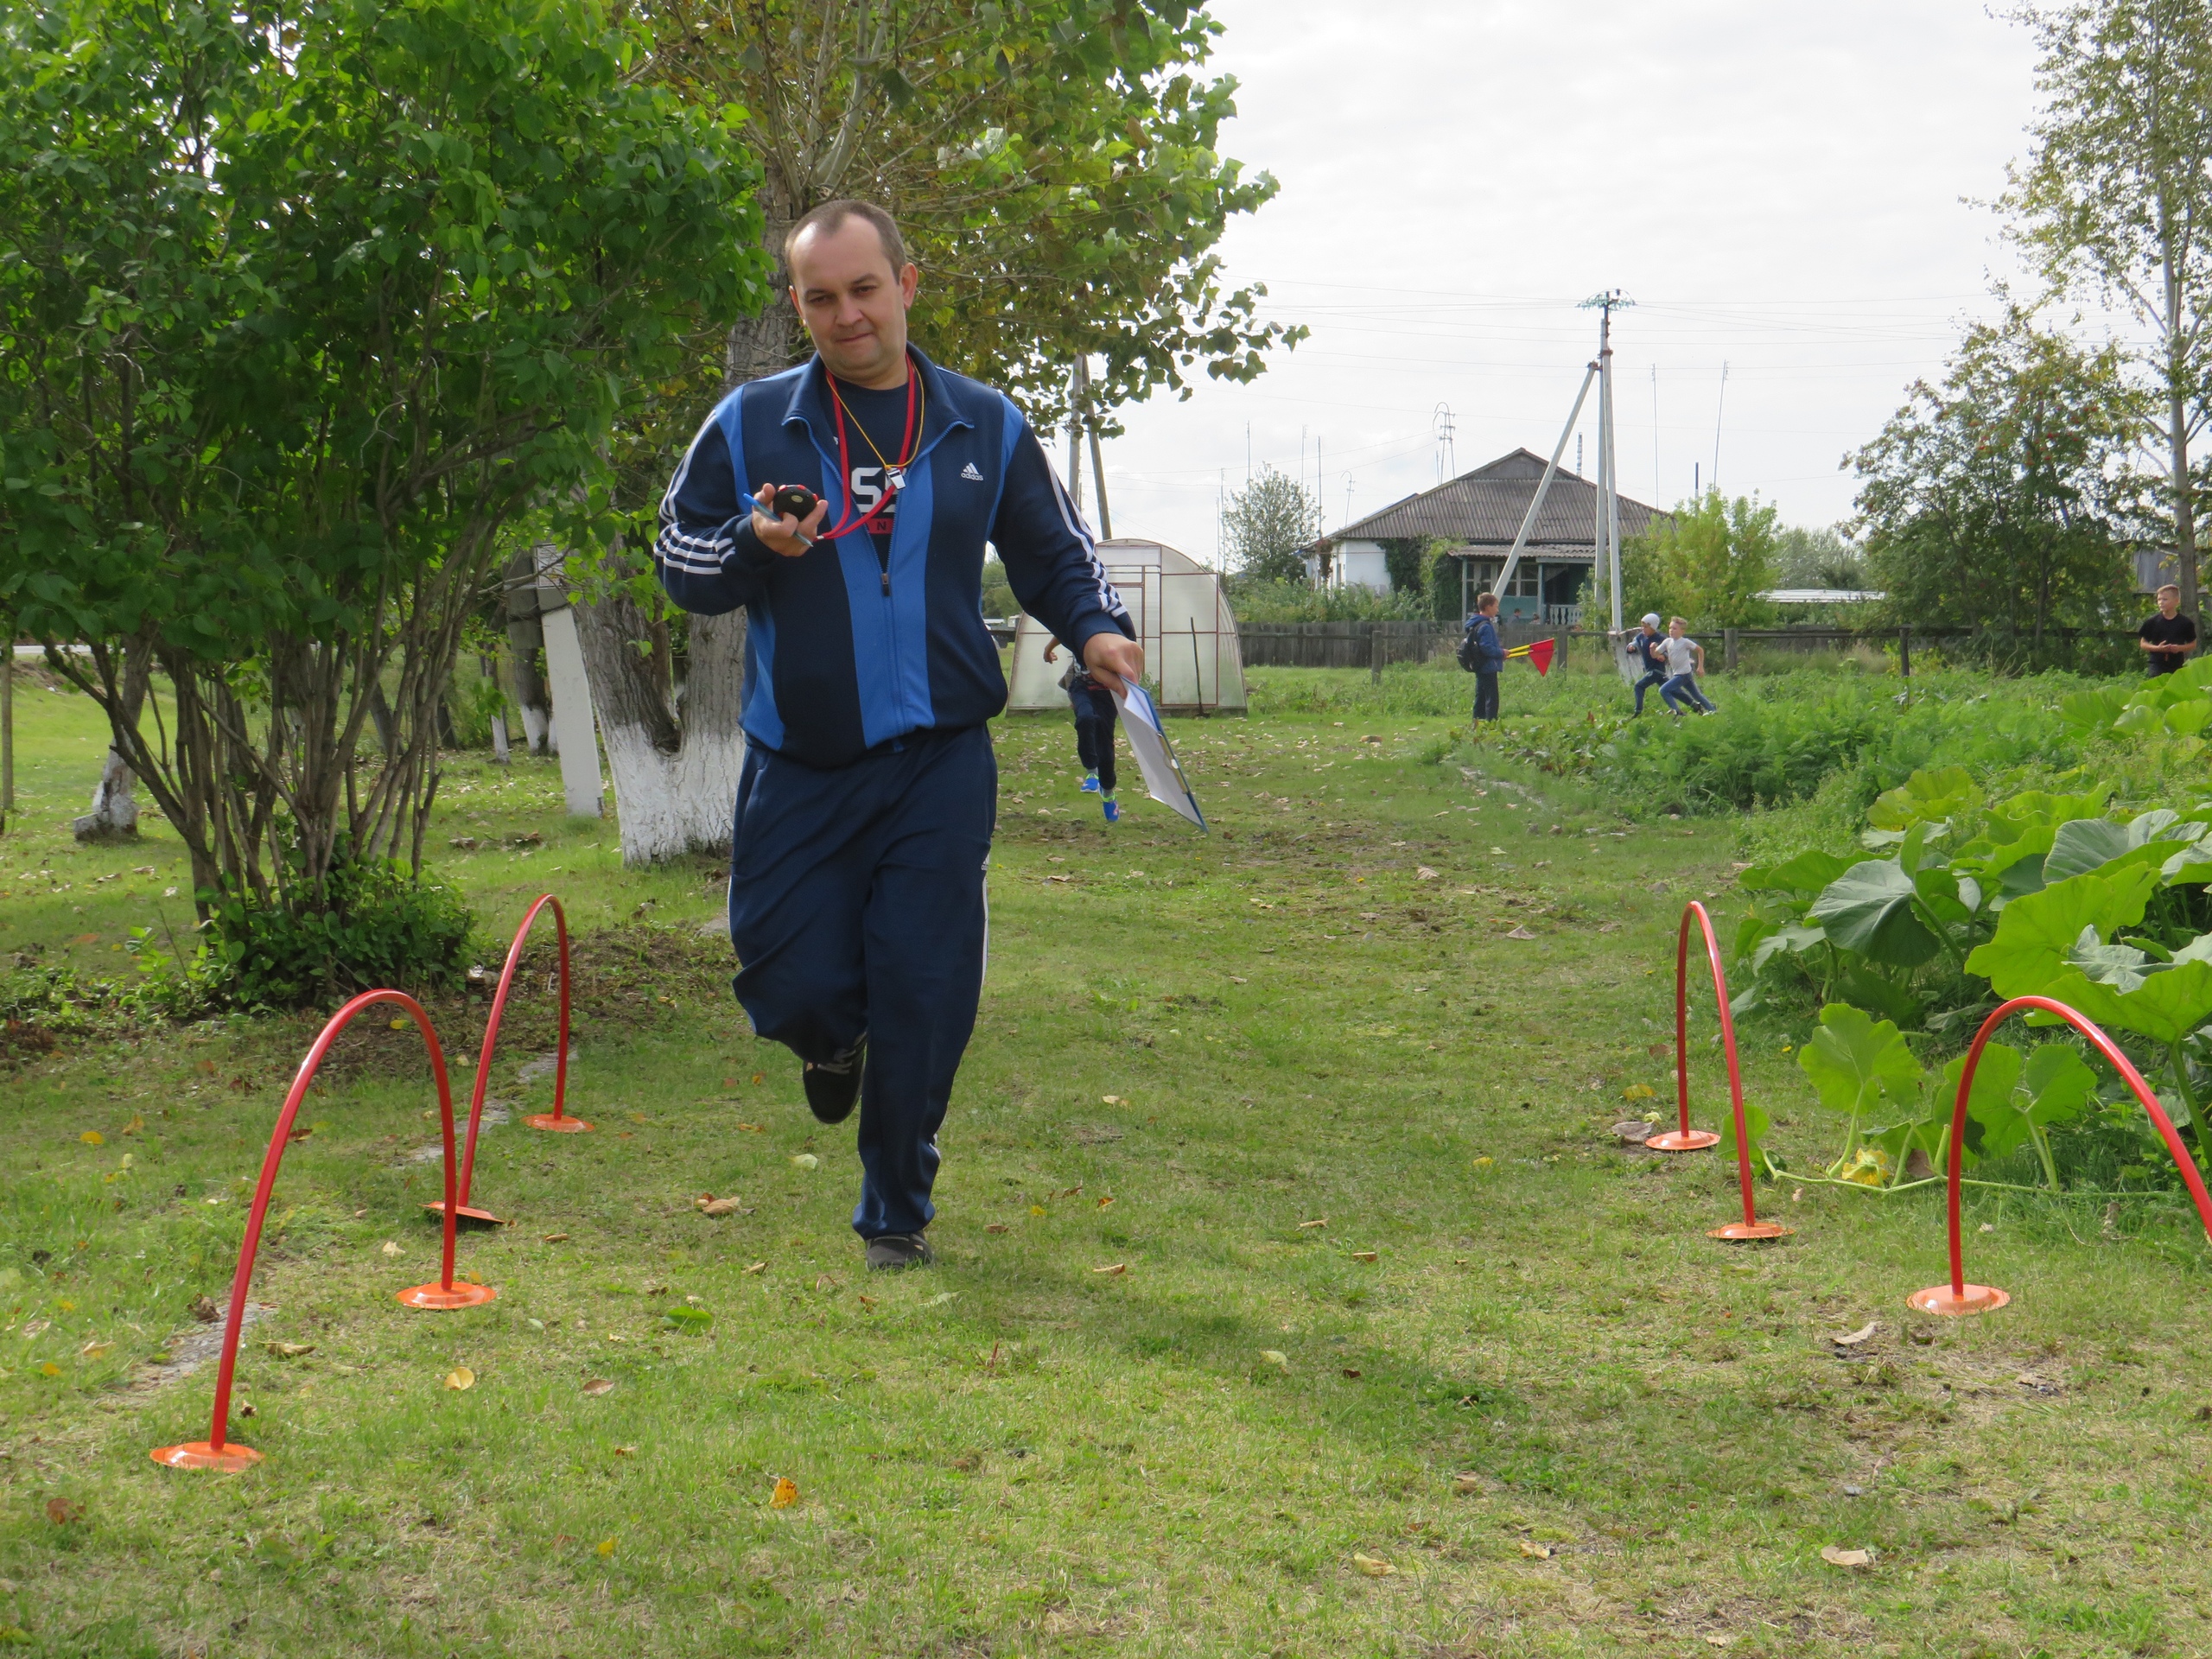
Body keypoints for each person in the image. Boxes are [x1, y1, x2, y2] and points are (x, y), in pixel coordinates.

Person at [654, 200, 1142, 1271]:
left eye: (865, 289)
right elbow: (677, 558)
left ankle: (895, 1213)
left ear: (907, 284)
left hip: (939, 763)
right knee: (786, 979)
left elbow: (1055, 555)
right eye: (820, 297)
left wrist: (1097, 629)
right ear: (798, 305)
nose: (847, 315)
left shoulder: (984, 423)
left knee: (924, 988)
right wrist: (754, 542)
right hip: (801, 763)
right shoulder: (749, 423)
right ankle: (831, 1045)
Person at [1042, 636, 1121, 822]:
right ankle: (1091, 772)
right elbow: (1062, 631)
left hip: (1107, 692)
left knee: (1105, 749)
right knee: (1085, 718)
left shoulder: (1113, 632)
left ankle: (1108, 793)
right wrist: (1048, 650)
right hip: (1081, 686)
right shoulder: (1078, 627)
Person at [1656, 617, 1716, 715]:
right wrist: (1652, 648)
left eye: (1674, 628)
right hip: (1678, 674)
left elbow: (1700, 650)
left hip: (1683, 674)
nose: (1671, 630)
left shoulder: (1685, 642)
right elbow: (1655, 653)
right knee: (1696, 695)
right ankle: (1712, 710)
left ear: (1682, 631)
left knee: (1663, 690)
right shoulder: (1667, 642)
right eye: (1670, 628)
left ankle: (1676, 711)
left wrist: (1700, 666)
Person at [1464, 591, 1505, 721]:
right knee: (1492, 698)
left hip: (1479, 665)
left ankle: (1477, 723)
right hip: (1488, 666)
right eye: (1496, 606)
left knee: (1481, 697)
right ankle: (1491, 724)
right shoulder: (1485, 626)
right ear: (1488, 607)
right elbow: (1487, 648)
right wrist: (1501, 653)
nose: (1497, 610)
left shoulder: (1475, 623)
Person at [2140, 584, 2196, 675]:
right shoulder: (2152, 622)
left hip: (2177, 664)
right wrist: (2158, 648)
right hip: (2156, 664)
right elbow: (2143, 643)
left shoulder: (2185, 623)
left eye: (2165, 599)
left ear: (2176, 601)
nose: (2161, 602)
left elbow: (2192, 644)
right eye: (2159, 599)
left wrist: (2179, 648)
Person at [1624, 613, 1666, 715]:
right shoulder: (1641, 637)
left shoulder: (1660, 639)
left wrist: (1663, 656)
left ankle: (1638, 711)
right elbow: (1635, 643)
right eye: (1642, 626)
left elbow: (1667, 650)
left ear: (1653, 627)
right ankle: (1693, 705)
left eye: (1646, 627)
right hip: (1650, 669)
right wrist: (1631, 647)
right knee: (1670, 689)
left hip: (1657, 669)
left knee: (1639, 686)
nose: (1643, 629)